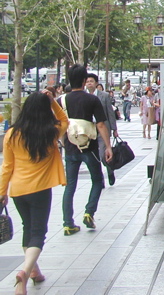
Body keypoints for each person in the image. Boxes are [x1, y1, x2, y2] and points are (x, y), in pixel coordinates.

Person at [0, 90, 68, 295]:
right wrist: (53, 102)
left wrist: (2, 192)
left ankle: (34, 272)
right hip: (40, 190)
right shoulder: (50, 132)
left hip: (18, 190)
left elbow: (7, 166)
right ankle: (25, 271)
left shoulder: (12, 134)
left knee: (27, 228)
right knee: (38, 232)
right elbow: (65, 120)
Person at [59, 64, 112, 235]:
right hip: (89, 147)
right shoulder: (92, 99)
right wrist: (108, 146)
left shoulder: (62, 100)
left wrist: (62, 142)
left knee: (70, 186)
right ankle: (89, 212)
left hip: (70, 147)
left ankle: (68, 224)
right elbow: (101, 124)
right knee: (97, 180)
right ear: (84, 80)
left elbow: (59, 125)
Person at [85, 74, 118, 186]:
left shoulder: (104, 96)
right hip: (89, 129)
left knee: (103, 154)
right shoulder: (83, 96)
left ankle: (110, 170)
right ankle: (99, 179)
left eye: (91, 81)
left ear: (96, 83)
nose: (89, 83)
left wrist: (114, 128)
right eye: (87, 81)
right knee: (94, 156)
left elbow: (110, 113)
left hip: (103, 128)